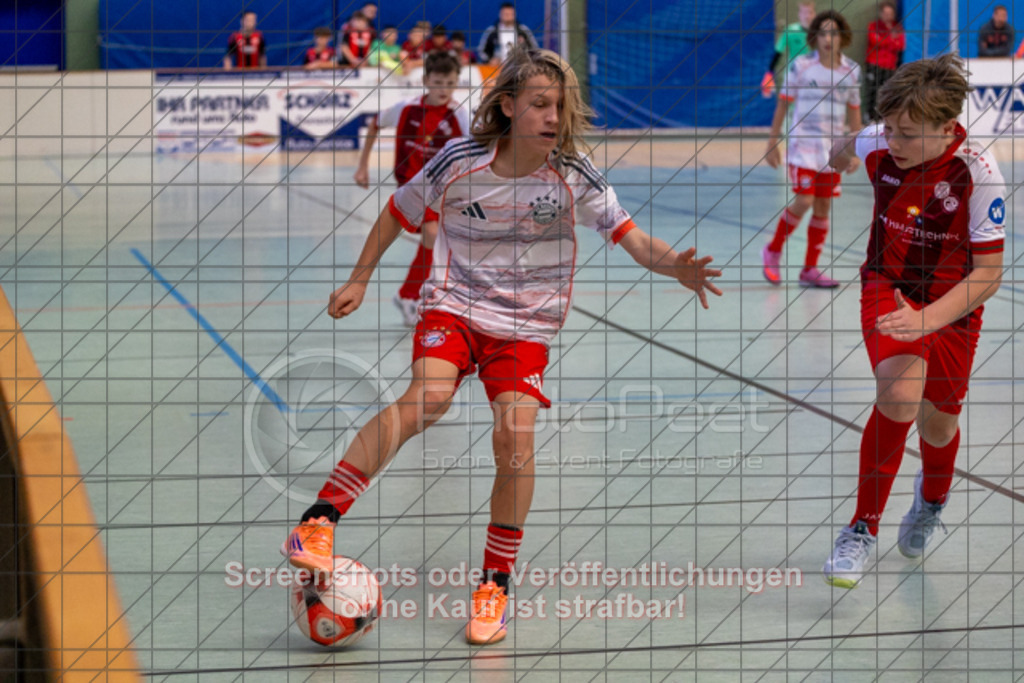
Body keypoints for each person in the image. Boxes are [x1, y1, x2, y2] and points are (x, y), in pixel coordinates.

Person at [283, 47, 722, 646]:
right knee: (429, 397)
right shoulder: (459, 161)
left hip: (525, 328)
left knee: (515, 437)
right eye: (540, 104)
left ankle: (494, 586)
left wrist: (678, 267)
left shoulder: (574, 174)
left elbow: (635, 239)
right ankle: (318, 521)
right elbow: (396, 212)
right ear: (509, 106)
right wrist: (359, 278)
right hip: (454, 307)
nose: (552, 116)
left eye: (560, 106)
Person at [825, 54, 1005, 588]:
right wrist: (839, 155)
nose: (893, 141)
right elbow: (847, 146)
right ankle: (861, 527)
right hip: (888, 285)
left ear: (946, 128)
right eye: (889, 130)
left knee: (938, 424)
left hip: (952, 305)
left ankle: (931, 499)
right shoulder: (880, 142)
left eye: (906, 134)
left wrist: (928, 320)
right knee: (900, 394)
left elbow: (988, 274)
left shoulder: (977, 172)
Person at [353, 51, 470, 325]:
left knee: (437, 239)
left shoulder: (459, 114)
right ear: (426, 80)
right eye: (438, 83)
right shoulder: (406, 108)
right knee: (432, 233)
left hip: (443, 189)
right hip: (411, 184)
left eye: (450, 84)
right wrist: (362, 166)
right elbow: (374, 125)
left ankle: (411, 294)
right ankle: (410, 296)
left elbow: (471, 150)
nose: (444, 90)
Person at [763, 10, 862, 288]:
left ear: (842, 37)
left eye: (833, 33)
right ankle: (772, 251)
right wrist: (773, 141)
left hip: (832, 151)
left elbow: (855, 110)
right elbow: (783, 103)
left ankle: (810, 269)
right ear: (815, 38)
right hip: (803, 146)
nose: (828, 39)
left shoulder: (851, 71)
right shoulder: (801, 66)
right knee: (804, 200)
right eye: (822, 33)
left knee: (823, 206)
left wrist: (855, 150)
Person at [761, 0, 815, 98]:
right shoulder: (790, 31)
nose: (807, 16)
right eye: (804, 12)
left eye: (810, 12)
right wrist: (769, 74)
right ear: (799, 14)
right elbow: (778, 53)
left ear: (814, 14)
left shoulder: (821, 33)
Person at [863, 1, 904, 123]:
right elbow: (875, 41)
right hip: (875, 64)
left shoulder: (898, 28)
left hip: (889, 66)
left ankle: (882, 117)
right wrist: (891, 39)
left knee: (887, 92)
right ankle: (870, 116)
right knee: (872, 91)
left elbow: (900, 45)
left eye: (890, 14)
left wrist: (886, 40)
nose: (888, 16)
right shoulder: (873, 26)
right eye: (885, 13)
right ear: (881, 14)